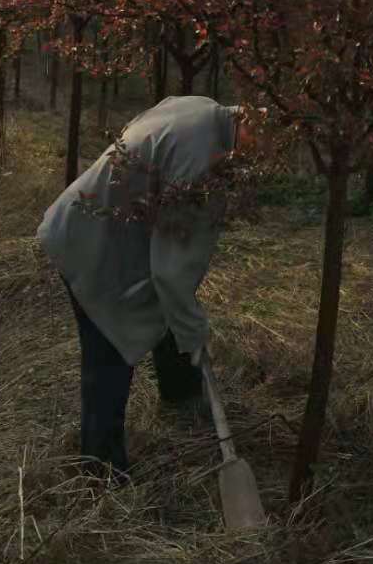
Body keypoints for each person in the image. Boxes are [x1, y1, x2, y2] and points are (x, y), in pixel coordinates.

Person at [37, 94, 253, 480]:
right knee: (109, 351)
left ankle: (182, 397)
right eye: (268, 145)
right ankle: (100, 471)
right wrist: (195, 330)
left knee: (166, 305)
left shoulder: (205, 109)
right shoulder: (201, 159)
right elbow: (172, 271)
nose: (262, 162)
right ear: (254, 120)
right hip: (89, 242)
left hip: (102, 225)